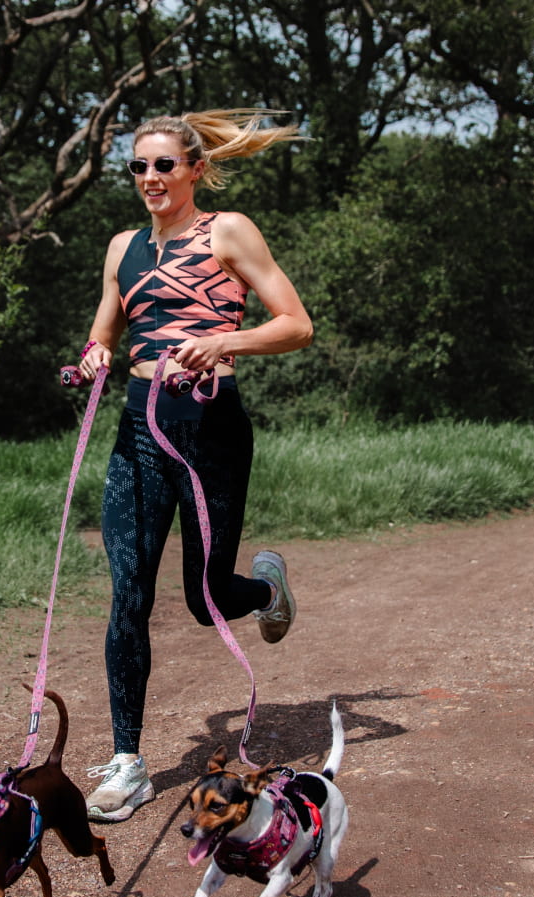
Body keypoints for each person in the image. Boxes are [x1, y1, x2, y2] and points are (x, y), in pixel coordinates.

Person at [76, 109, 313, 823]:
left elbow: (296, 324)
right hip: (139, 428)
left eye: (163, 166)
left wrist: (224, 343)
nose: (150, 178)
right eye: (138, 167)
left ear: (194, 169)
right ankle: (127, 762)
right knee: (129, 594)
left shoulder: (228, 230)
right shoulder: (122, 247)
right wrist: (95, 356)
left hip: (209, 427)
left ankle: (264, 589)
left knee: (206, 600)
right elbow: (105, 328)